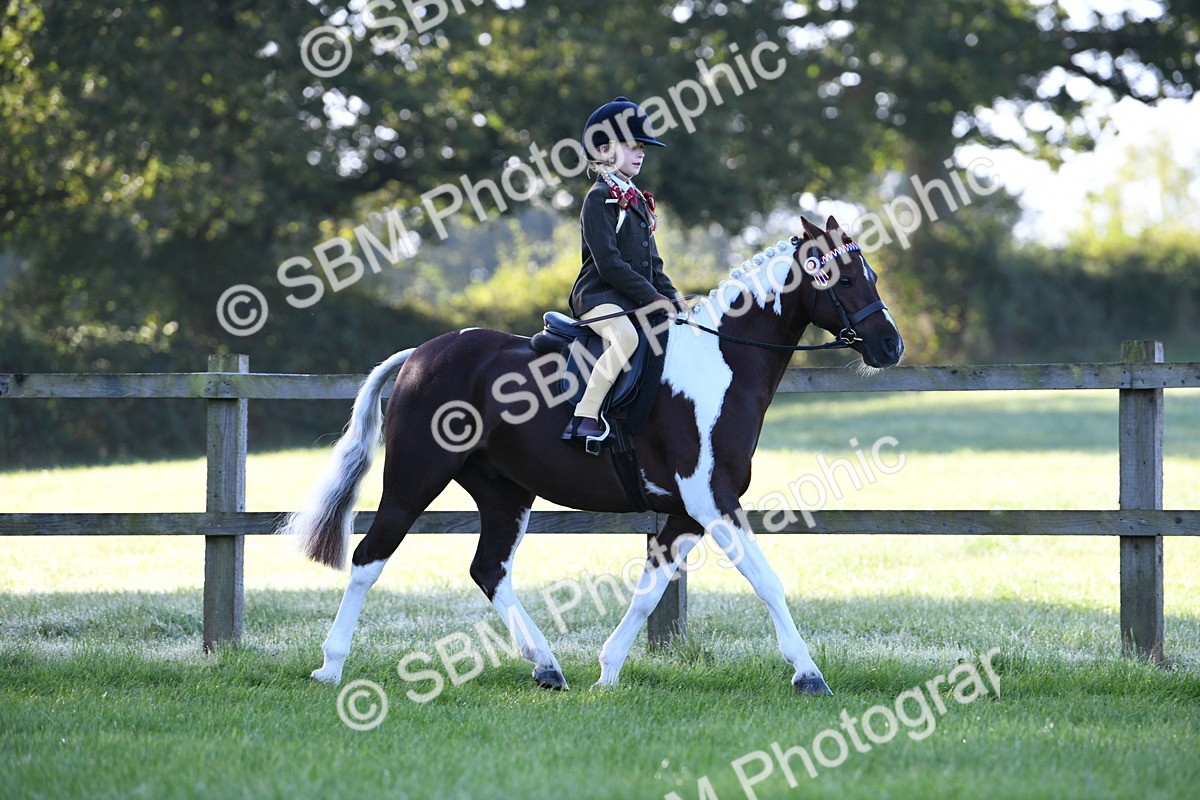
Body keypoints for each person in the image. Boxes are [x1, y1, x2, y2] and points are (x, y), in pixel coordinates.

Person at [563, 97, 681, 444]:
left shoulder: (639, 201)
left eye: (641, 147)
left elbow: (654, 266)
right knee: (626, 337)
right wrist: (651, 298)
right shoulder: (599, 198)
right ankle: (584, 416)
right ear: (603, 149)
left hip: (631, 297)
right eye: (631, 147)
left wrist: (675, 300)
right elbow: (609, 264)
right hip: (599, 296)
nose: (640, 154)